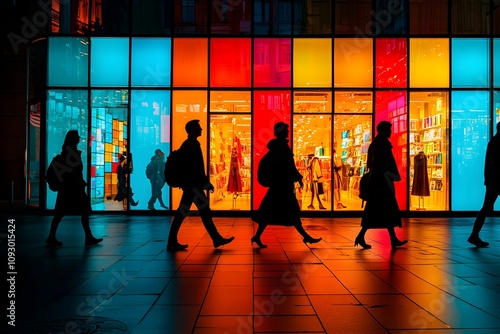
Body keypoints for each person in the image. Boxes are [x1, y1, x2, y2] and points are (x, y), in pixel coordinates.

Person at [166, 120, 235, 251]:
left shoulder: (189, 144)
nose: (201, 129)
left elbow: (194, 168)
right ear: (192, 129)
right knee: (201, 212)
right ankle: (215, 239)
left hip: (191, 186)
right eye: (198, 127)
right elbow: (195, 168)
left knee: (189, 213)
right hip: (193, 187)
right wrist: (205, 183)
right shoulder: (192, 145)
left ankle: (215, 239)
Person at [251, 122, 322, 248]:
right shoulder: (282, 147)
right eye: (286, 130)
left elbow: (286, 165)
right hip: (283, 186)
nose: (288, 132)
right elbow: (289, 166)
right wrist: (298, 178)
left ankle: (257, 236)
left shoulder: (276, 147)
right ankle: (306, 237)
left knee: (269, 211)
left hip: (277, 185)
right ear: (282, 132)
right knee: (291, 211)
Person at [354, 121, 407, 250]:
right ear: (383, 130)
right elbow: (386, 163)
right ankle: (389, 238)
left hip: (377, 181)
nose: (391, 132)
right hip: (382, 182)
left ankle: (391, 238)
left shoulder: (376, 144)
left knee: (378, 210)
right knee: (383, 209)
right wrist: (393, 175)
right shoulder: (382, 144)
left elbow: (371, 164)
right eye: (389, 129)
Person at [46, 130, 103, 246]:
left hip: (69, 188)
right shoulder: (71, 153)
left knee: (63, 213)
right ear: (72, 139)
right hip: (72, 188)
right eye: (77, 137)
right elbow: (74, 172)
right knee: (80, 211)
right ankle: (88, 236)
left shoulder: (69, 152)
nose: (79, 138)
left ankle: (53, 236)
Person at [468, 122, 500, 247]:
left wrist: (488, 179)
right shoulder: (497, 143)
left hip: (493, 181)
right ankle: (474, 235)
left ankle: (474, 234)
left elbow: (489, 164)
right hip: (497, 181)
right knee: (486, 207)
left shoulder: (493, 142)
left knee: (485, 207)